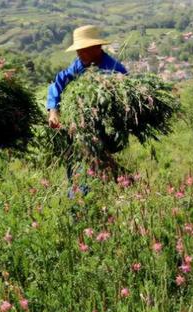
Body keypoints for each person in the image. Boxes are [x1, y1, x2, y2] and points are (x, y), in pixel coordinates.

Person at [47, 25, 128, 199]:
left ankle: (82, 207)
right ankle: (82, 202)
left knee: (86, 171)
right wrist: (53, 111)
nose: (79, 54)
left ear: (97, 48)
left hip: (100, 133)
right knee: (76, 169)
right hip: (77, 129)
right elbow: (59, 82)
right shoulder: (80, 64)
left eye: (83, 50)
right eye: (78, 50)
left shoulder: (114, 71)